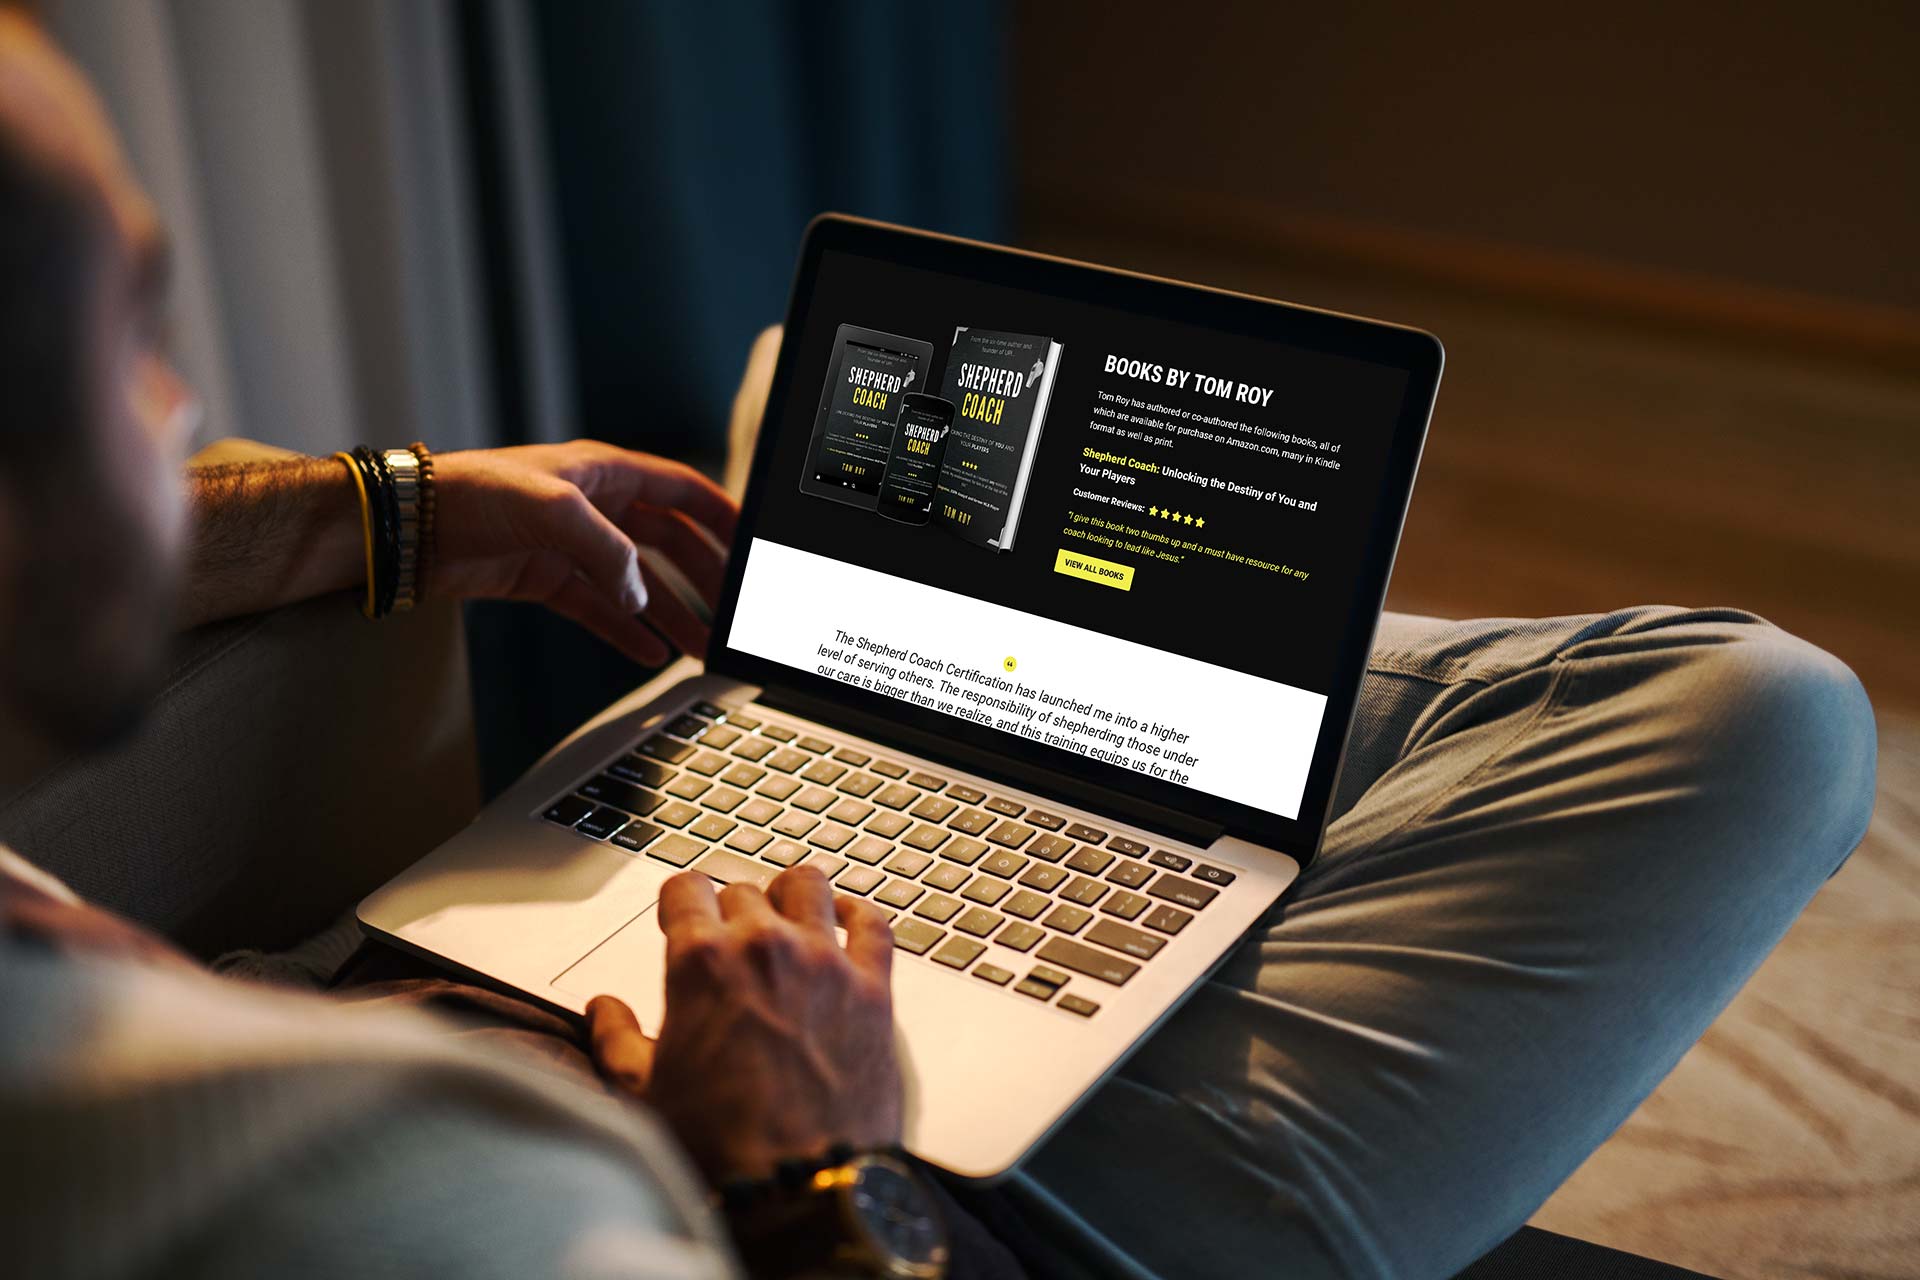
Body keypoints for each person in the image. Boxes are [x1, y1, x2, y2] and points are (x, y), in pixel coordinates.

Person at [0, 13, 1878, 1280]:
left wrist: (404, 502)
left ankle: (938, 614)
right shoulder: (406, 1208)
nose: (185, 416)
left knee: (823, 487)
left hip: (390, 988)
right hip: (906, 1202)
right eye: (131, 339)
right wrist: (817, 1169)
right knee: (1764, 715)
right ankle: (1016, 622)